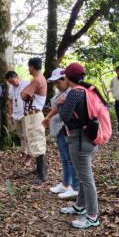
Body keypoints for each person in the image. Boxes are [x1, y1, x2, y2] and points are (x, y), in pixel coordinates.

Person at [55, 62, 104, 229]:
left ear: (68, 78)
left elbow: (65, 117)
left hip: (80, 141)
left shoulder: (74, 94)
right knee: (83, 176)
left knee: (86, 179)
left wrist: (61, 103)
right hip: (89, 138)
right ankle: (80, 205)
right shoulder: (87, 89)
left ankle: (92, 216)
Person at [42, 68, 79, 199]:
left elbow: (60, 108)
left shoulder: (71, 92)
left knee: (70, 159)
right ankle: (66, 183)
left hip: (66, 129)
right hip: (58, 128)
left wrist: (48, 117)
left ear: (66, 79)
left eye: (58, 82)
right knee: (64, 158)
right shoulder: (62, 92)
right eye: (55, 83)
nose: (57, 85)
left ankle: (75, 187)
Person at [21, 57, 48, 184]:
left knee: (37, 142)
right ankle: (40, 170)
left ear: (32, 66)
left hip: (34, 115)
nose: (28, 69)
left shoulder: (37, 80)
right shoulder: (39, 79)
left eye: (29, 66)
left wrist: (23, 92)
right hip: (33, 115)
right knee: (35, 141)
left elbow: (24, 95)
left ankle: (42, 174)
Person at [5, 70, 29, 156]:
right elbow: (10, 102)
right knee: (20, 135)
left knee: (27, 134)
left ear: (17, 77)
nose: (12, 83)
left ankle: (29, 153)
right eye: (10, 82)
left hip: (25, 113)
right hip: (16, 114)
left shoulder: (26, 84)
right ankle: (24, 151)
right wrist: (10, 114)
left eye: (12, 81)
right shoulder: (11, 88)